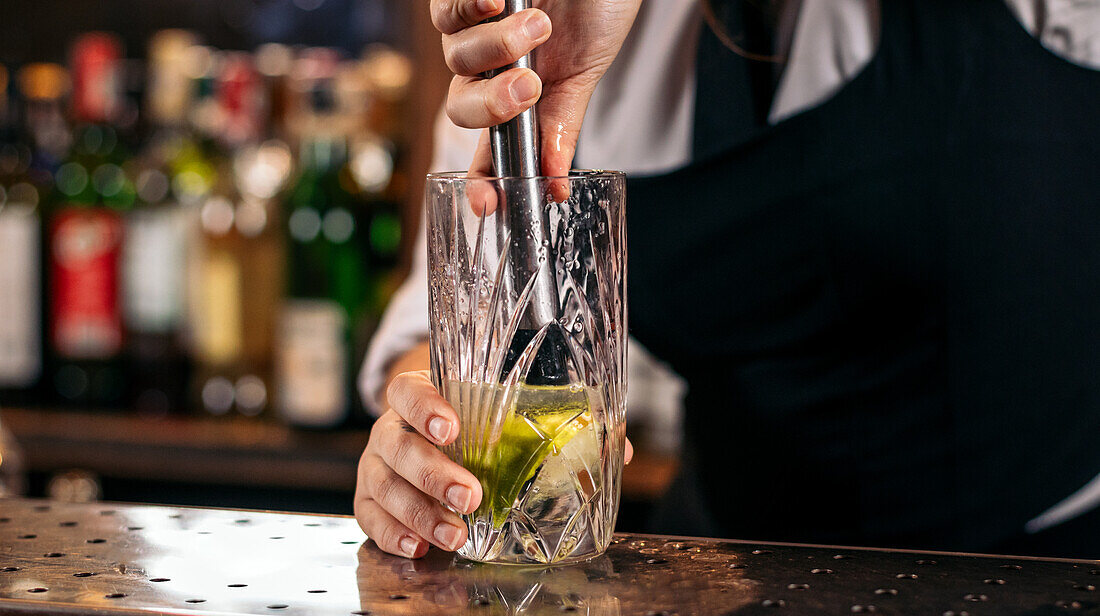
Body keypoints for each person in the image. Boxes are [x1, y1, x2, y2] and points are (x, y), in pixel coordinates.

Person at [354, 0, 1100, 560]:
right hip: (727, 587)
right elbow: (451, 322)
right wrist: (427, 443)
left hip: (1041, 594)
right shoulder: (555, 19)